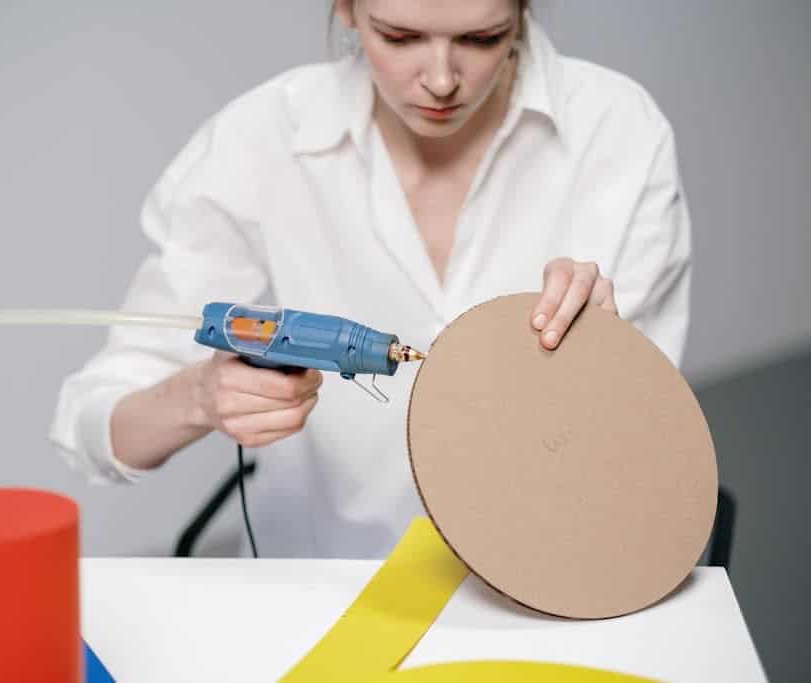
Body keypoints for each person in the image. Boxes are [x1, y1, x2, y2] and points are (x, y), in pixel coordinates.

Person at [50, 0, 691, 558]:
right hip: (322, 592)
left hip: (546, 582)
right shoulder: (259, 142)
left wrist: (610, 374)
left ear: (522, 13)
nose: (442, 81)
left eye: (482, 39)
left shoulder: (618, 133)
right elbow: (94, 423)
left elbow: (648, 461)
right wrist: (199, 398)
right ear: (347, 8)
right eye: (400, 37)